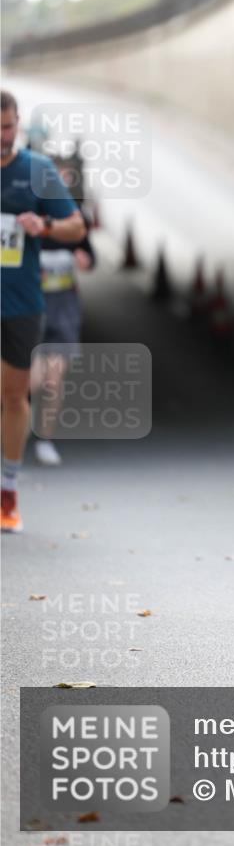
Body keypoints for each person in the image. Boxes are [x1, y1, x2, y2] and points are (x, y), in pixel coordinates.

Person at [1, 90, 85, 532]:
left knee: (14, 395)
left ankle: (8, 489)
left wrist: (45, 224)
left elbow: (76, 227)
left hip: (21, 303)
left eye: (8, 127)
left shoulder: (37, 170)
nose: (3, 136)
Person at [31, 204, 96, 466]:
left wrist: (84, 260)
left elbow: (90, 257)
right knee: (30, 382)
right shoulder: (25, 217)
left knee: (53, 381)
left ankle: (44, 440)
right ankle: (12, 434)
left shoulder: (73, 221)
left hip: (63, 312)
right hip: (28, 312)